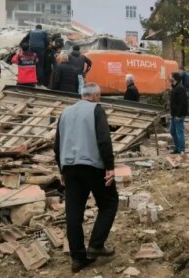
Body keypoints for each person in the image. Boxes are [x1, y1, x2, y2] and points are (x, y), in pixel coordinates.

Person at [53, 83, 118, 273]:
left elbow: (57, 145)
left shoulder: (65, 112)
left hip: (70, 167)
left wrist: (62, 169)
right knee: (109, 203)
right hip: (92, 166)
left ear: (82, 95)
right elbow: (104, 140)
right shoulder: (96, 110)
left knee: (73, 213)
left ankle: (78, 259)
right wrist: (110, 167)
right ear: (96, 96)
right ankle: (96, 244)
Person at [169, 72, 189, 154]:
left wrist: (179, 114)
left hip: (178, 115)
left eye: (171, 76)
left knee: (179, 131)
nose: (169, 78)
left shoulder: (180, 88)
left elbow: (183, 102)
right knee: (172, 131)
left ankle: (181, 149)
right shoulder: (175, 87)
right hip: (174, 114)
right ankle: (177, 147)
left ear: (175, 78)